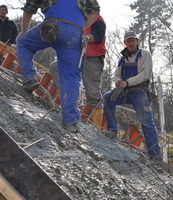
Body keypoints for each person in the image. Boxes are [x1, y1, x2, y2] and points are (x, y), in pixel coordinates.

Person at [16, 0, 100, 133]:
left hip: (52, 25)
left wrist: (24, 30)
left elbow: (29, 8)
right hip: (74, 32)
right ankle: (71, 122)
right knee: (71, 76)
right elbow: (95, 12)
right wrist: (78, 27)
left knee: (23, 44)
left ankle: (29, 78)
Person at [103, 31, 162, 161]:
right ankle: (112, 129)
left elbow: (144, 75)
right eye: (128, 41)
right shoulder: (122, 58)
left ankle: (155, 154)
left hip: (139, 91)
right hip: (124, 91)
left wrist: (127, 82)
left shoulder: (144, 55)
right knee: (107, 97)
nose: (130, 43)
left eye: (132, 40)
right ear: (125, 43)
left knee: (147, 123)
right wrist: (117, 81)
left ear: (137, 41)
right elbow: (117, 73)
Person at [82, 13, 106, 108]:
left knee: (93, 95)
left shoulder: (97, 19)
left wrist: (82, 38)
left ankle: (95, 122)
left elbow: (98, 36)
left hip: (93, 59)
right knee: (55, 68)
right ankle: (56, 106)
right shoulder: (77, 17)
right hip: (76, 56)